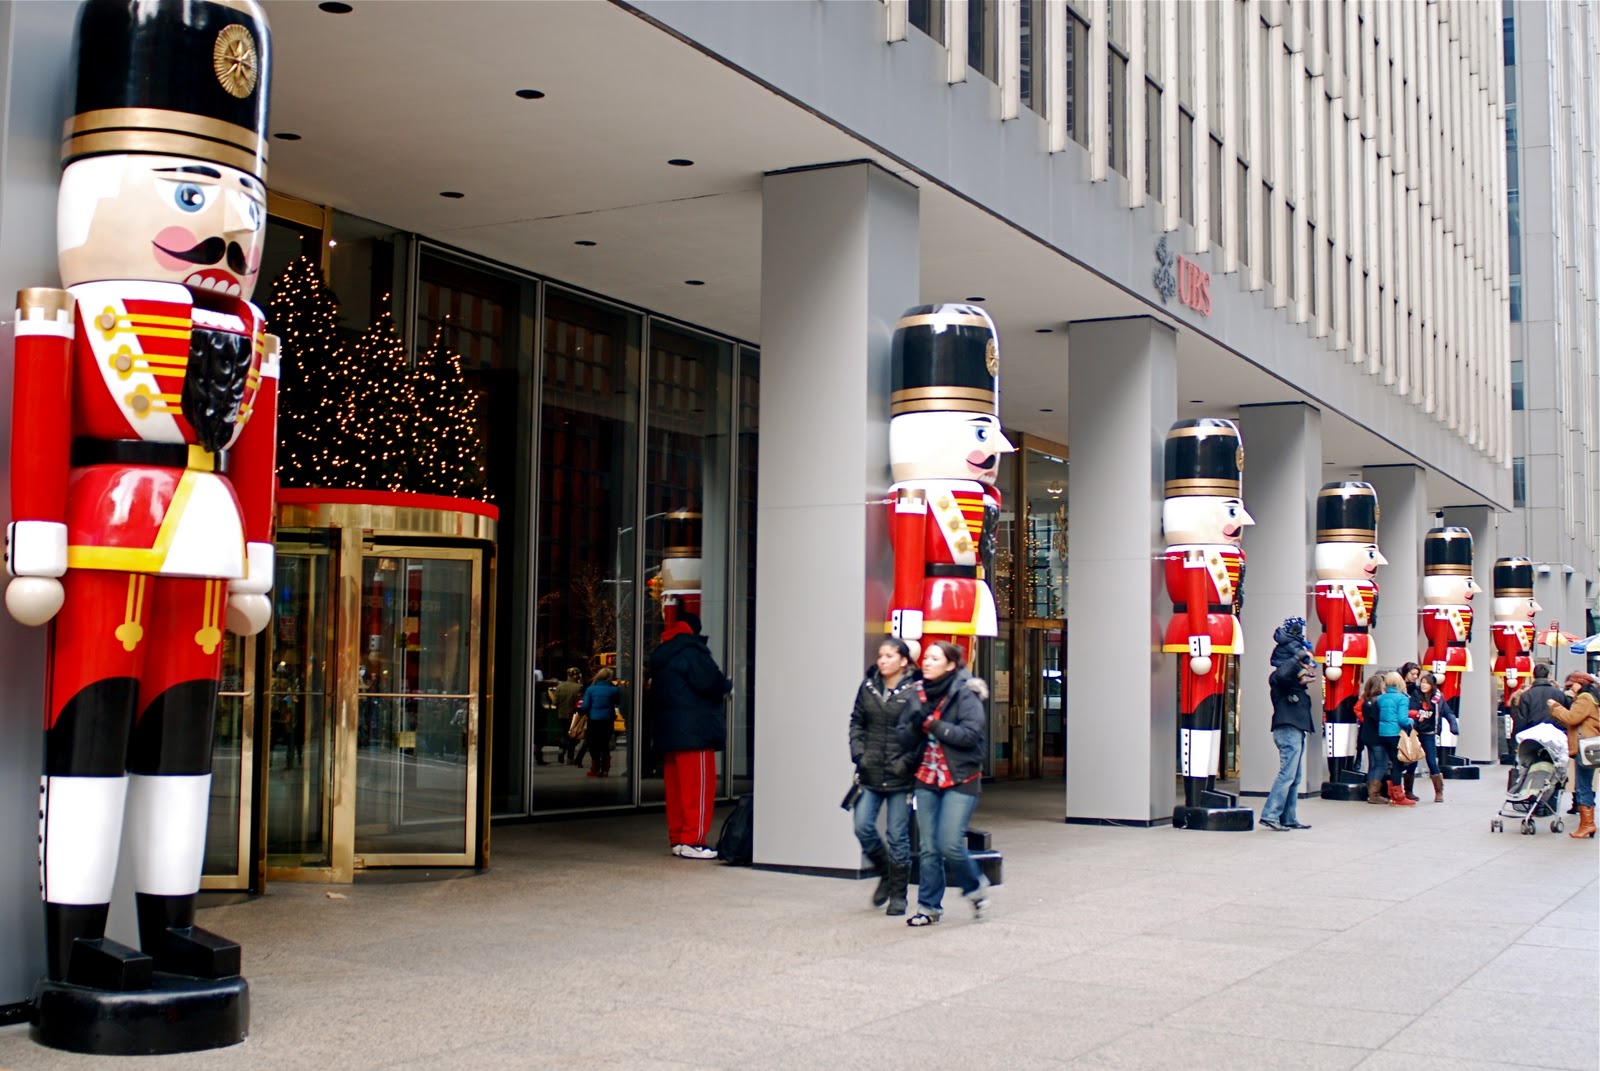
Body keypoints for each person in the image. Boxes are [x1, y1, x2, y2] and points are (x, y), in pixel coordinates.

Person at [895, 641, 989, 927]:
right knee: (928, 847)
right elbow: (903, 734)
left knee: (948, 843)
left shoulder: (965, 692)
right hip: (926, 777)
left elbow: (971, 735)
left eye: (935, 658)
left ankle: (975, 887)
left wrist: (934, 726)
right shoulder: (917, 693)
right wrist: (912, 727)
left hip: (960, 777)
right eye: (926, 657)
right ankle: (928, 907)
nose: (927, 662)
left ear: (950, 664)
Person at [648, 611, 732, 859]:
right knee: (698, 788)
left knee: (676, 791)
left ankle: (678, 839)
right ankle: (693, 841)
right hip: (695, 732)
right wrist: (727, 686)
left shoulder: (662, 655)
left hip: (669, 731)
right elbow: (710, 681)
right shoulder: (692, 651)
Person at [849, 638, 921, 915]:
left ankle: (898, 895)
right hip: (870, 770)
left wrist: (906, 763)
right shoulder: (868, 686)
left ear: (904, 661)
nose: (883, 660)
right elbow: (857, 721)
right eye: (881, 655)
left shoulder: (915, 689)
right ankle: (886, 871)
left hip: (900, 775)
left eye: (890, 656)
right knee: (862, 826)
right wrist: (859, 754)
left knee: (897, 835)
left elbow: (919, 732)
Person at [1261, 617, 1319, 831]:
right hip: (1288, 729)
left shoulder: (1292, 683)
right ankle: (1271, 814)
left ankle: (1288, 817)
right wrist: (1298, 658)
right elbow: (1284, 673)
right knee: (1287, 774)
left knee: (1294, 776)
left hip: (1295, 729)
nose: (1306, 667)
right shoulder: (1278, 678)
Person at [1550, 672, 1600, 838]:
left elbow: (1572, 718)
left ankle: (1587, 824)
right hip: (1587, 747)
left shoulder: (1585, 698)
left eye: (1572, 685)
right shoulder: (1590, 698)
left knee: (1582, 786)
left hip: (1584, 748)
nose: (1570, 687)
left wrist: (1556, 708)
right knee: (1583, 785)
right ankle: (1587, 824)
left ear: (1580, 683)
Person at [1404, 672, 1459, 802]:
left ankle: (1439, 792)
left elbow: (1447, 712)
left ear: (1432, 685)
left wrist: (1453, 725)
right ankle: (1408, 791)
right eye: (1422, 682)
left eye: (1427, 683)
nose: (1423, 685)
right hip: (1415, 733)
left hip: (1429, 733)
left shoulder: (1437, 698)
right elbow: (1409, 710)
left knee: (1432, 762)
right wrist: (1416, 715)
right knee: (1412, 761)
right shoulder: (1415, 695)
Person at [1368, 672, 1416, 806]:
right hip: (1395, 734)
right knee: (1397, 765)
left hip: (1383, 734)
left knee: (1389, 763)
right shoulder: (1402, 698)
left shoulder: (1381, 698)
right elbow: (1402, 719)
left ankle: (1391, 793)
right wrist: (1412, 721)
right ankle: (1398, 796)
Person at [578, 668, 622, 778]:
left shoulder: (591, 689)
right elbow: (618, 701)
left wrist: (580, 712)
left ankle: (595, 769)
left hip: (594, 720)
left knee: (594, 745)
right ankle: (605, 769)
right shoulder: (614, 690)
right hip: (607, 720)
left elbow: (585, 706)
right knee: (605, 745)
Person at [1514, 663, 1570, 738]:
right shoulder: (1559, 694)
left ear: (1534, 675)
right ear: (1548, 675)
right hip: (1556, 734)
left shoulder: (1526, 695)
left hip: (1533, 734)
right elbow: (1565, 715)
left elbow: (1521, 721)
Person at [1355, 673, 1386, 802]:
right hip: (1377, 737)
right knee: (1381, 765)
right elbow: (1379, 720)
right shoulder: (1378, 702)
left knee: (1373, 764)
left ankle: (1370, 791)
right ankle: (1374, 794)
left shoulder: (1366, 701)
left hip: (1367, 736)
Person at [553, 668, 585, 765]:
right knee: (572, 736)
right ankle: (570, 757)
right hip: (574, 715)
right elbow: (580, 702)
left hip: (562, 714)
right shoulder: (579, 687)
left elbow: (555, 702)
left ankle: (562, 749)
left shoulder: (560, 687)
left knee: (564, 733)